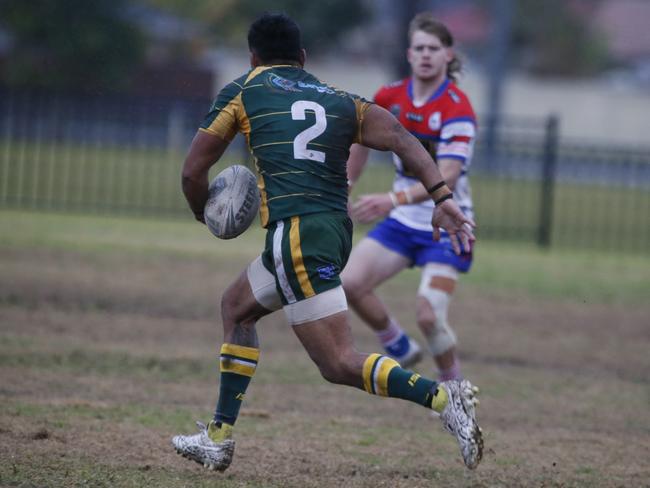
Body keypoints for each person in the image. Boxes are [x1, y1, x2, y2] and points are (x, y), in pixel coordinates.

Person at [171, 12, 483, 472]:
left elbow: (192, 171)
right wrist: (442, 197)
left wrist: (204, 211)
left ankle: (443, 398)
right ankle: (218, 438)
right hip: (331, 230)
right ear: (302, 58)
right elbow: (401, 136)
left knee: (337, 363)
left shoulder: (244, 88)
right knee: (236, 307)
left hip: (296, 234)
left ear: (252, 57)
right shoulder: (339, 99)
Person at [342, 13, 477, 383]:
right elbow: (359, 137)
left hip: (448, 222)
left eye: (434, 48)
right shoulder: (390, 96)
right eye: (419, 48)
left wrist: (392, 199)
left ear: (448, 55)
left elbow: (447, 174)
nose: (426, 55)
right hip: (403, 223)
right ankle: (399, 345)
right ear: (409, 54)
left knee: (429, 314)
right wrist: (348, 183)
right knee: (350, 283)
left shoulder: (457, 108)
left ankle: (455, 392)